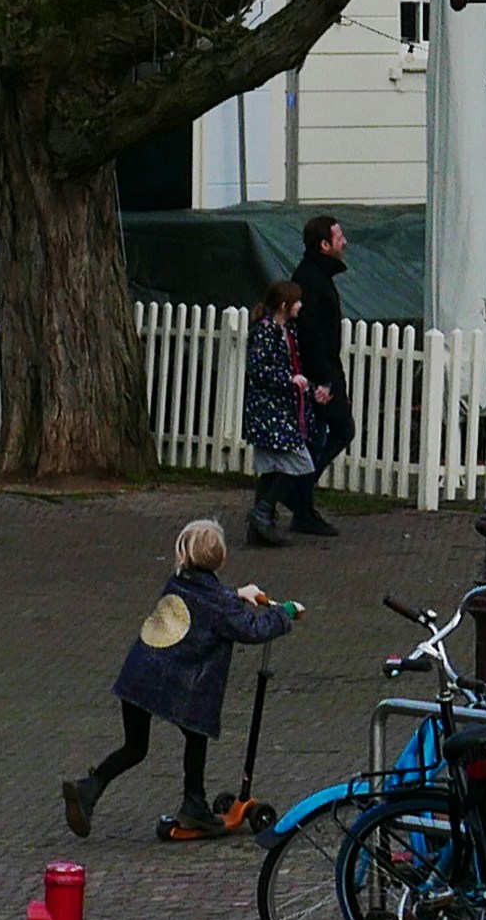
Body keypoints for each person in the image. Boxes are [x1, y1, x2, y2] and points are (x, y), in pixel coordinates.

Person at [64, 517, 294, 841]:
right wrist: (281, 614)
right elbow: (249, 629)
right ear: (222, 559)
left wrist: (238, 594)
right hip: (175, 683)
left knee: (135, 746)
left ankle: (90, 786)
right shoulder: (216, 602)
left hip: (138, 674)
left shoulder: (179, 582)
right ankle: (194, 803)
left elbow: (210, 602)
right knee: (196, 731)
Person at [242, 276, 320, 546]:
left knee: (271, 466)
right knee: (298, 462)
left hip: (281, 407)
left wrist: (309, 390)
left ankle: (260, 529)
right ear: (285, 305)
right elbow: (259, 369)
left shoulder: (288, 332)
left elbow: (292, 368)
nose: (300, 305)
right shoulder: (264, 331)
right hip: (269, 409)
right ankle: (262, 512)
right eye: (296, 301)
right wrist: (288, 380)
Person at [289, 214, 351, 527]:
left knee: (318, 435)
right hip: (321, 371)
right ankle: (295, 491)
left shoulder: (312, 275)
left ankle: (299, 501)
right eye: (339, 238)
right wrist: (323, 380)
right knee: (340, 429)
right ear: (325, 244)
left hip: (322, 368)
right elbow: (313, 335)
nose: (344, 243)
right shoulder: (314, 281)